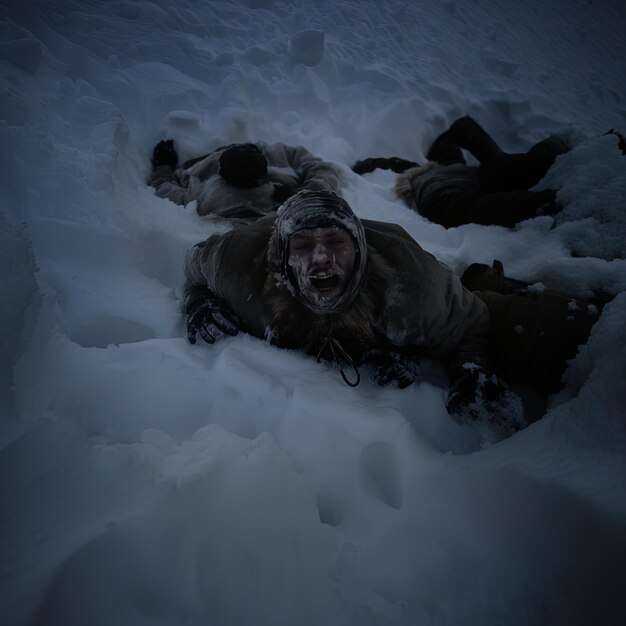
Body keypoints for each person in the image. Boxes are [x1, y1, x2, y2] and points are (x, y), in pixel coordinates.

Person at [183, 189, 602, 437]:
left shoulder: (408, 283)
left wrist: (471, 368)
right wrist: (199, 302)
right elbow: (193, 265)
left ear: (360, 250)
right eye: (304, 246)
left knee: (557, 331)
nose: (322, 259)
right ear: (281, 256)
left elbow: (473, 324)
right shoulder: (239, 266)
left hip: (440, 285)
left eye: (336, 242)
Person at [352, 115, 571, 228]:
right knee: (486, 204)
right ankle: (555, 198)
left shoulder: (445, 163)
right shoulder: (420, 170)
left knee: (512, 170)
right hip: (440, 198)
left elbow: (449, 140)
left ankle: (557, 156)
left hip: (472, 181)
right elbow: (390, 163)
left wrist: (461, 132)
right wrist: (365, 165)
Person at [150, 138, 342, 219]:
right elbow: (323, 172)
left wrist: (163, 167)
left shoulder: (272, 153)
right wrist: (306, 196)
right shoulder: (209, 193)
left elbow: (164, 187)